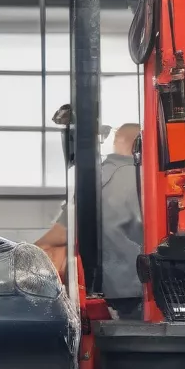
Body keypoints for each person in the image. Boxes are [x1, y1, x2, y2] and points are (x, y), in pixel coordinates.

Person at [35, 122, 143, 319]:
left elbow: (64, 231)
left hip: (117, 285)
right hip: (143, 282)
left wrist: (31, 249)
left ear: (118, 140)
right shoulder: (148, 177)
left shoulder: (100, 177)